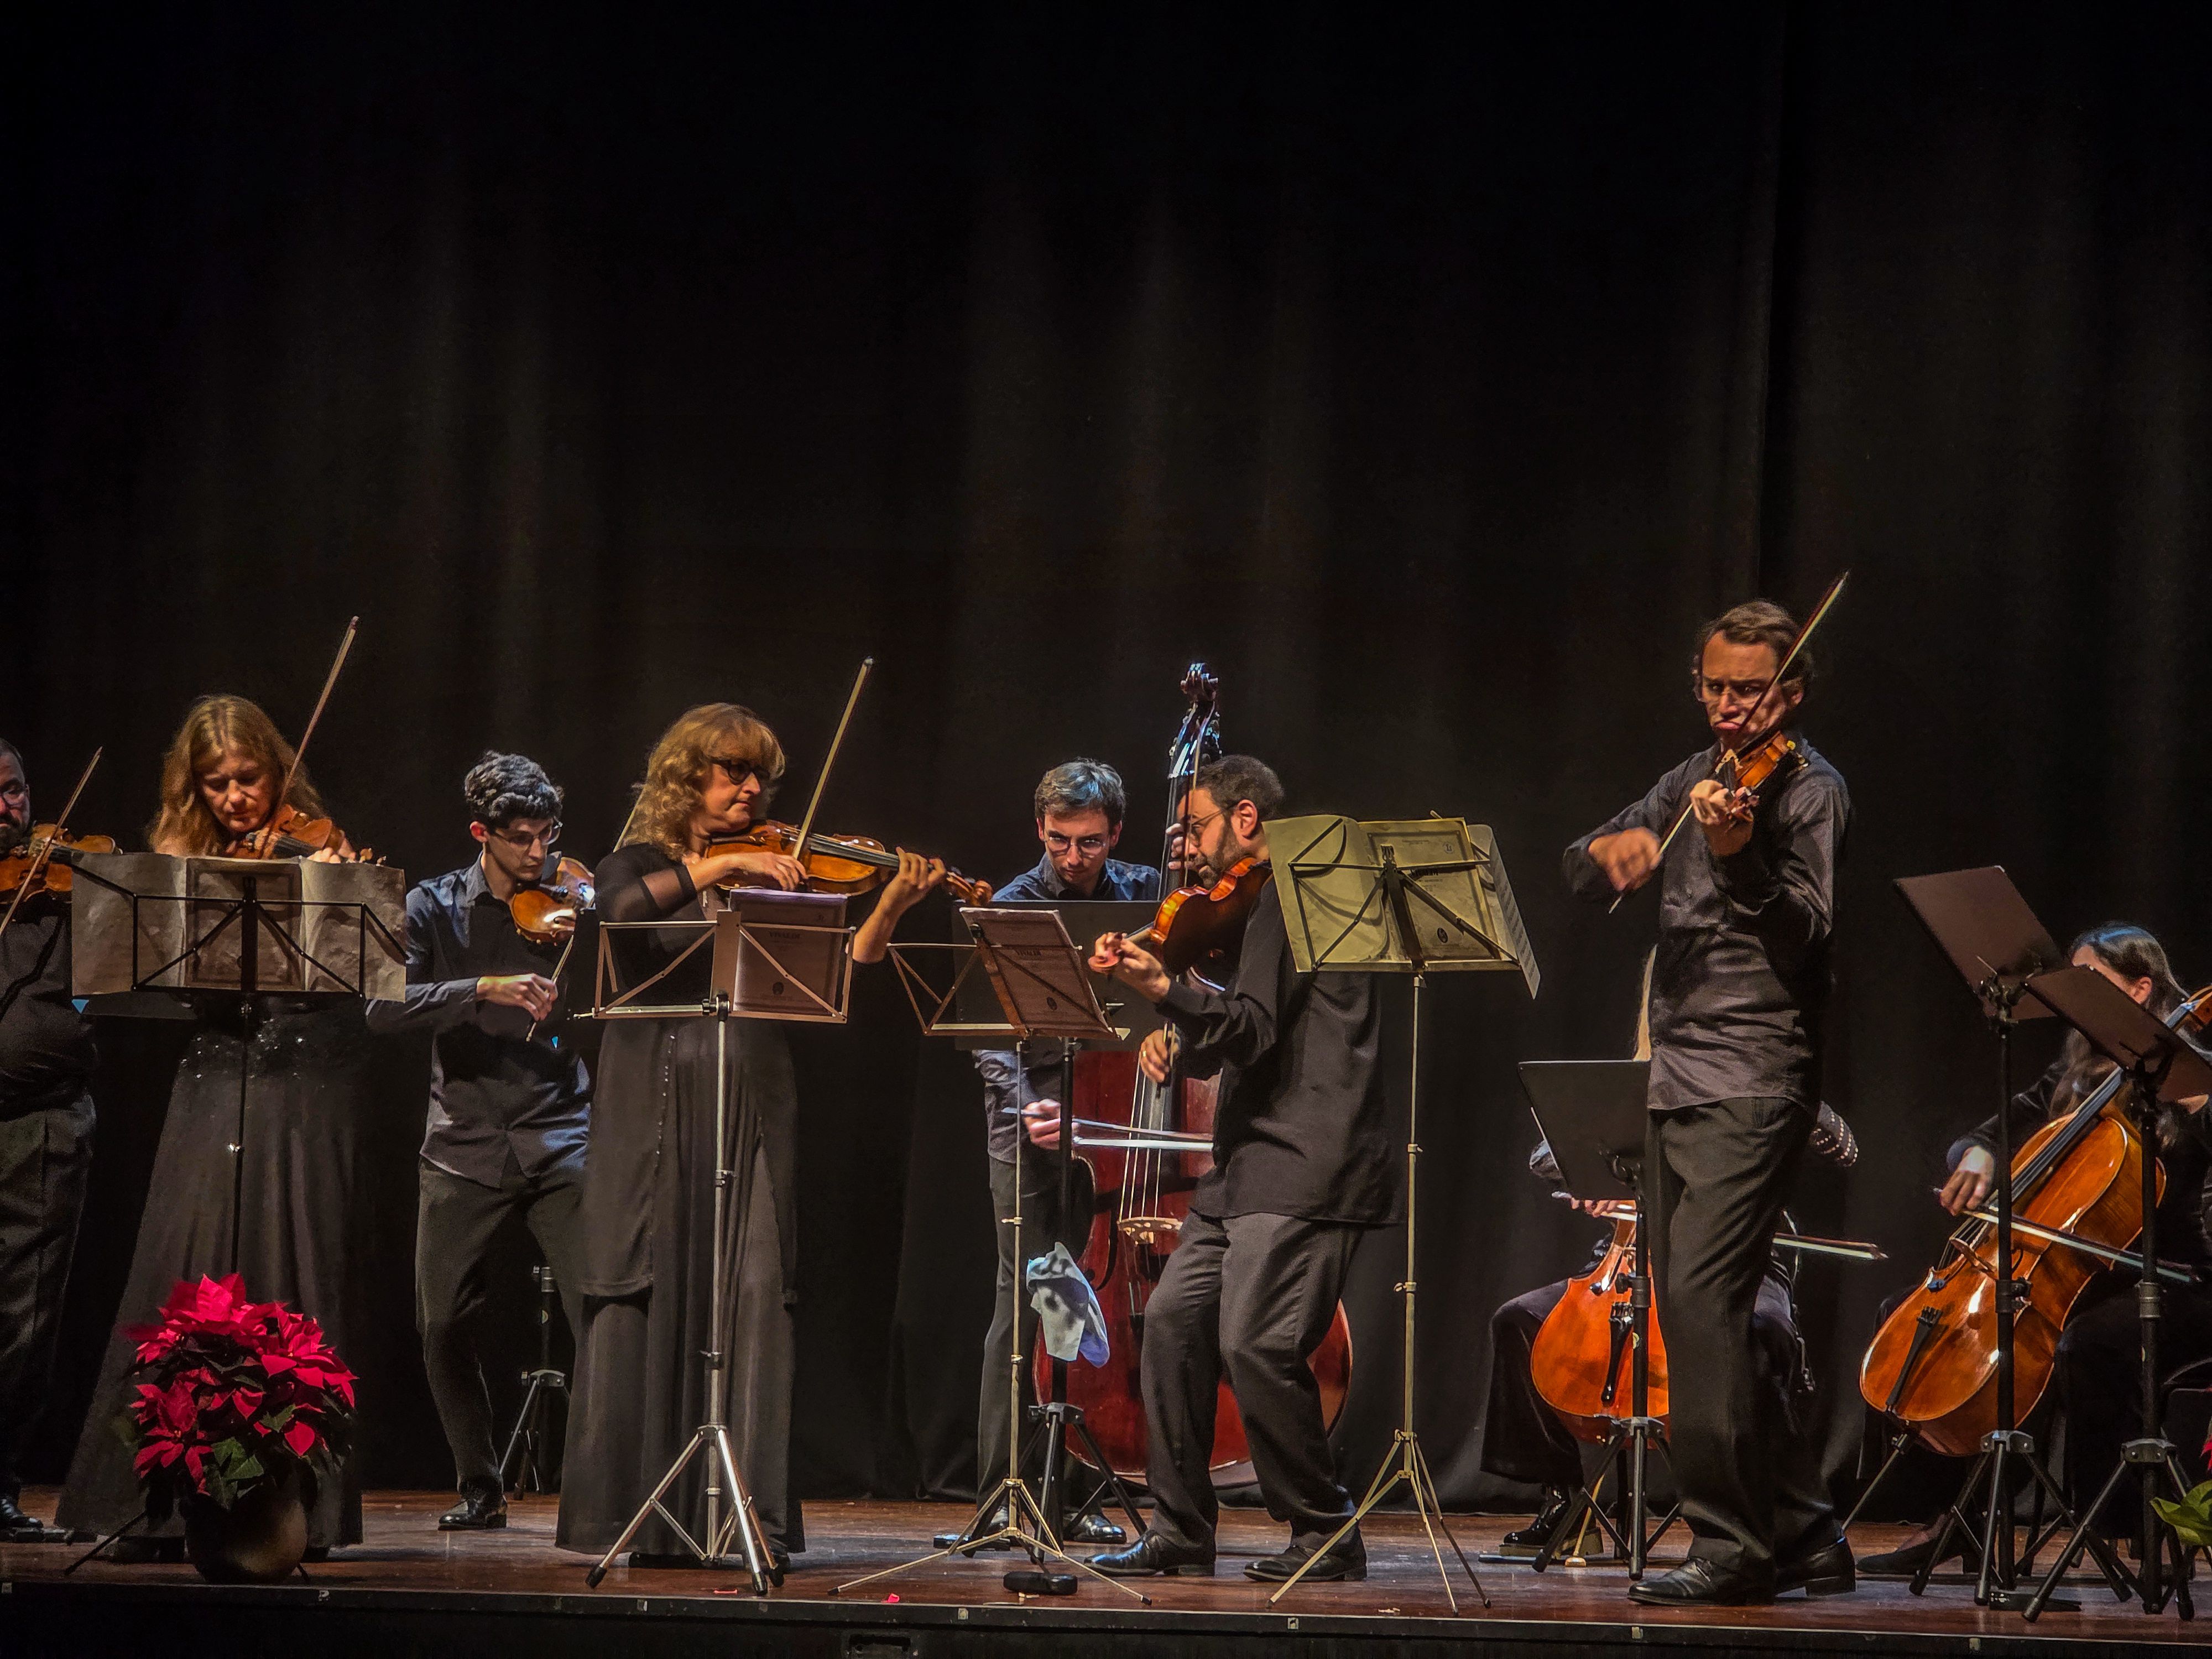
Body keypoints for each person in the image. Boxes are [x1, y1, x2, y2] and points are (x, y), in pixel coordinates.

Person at [557, 703, 943, 1570]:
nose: (751, 788)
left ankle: (738, 1511)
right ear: (684, 778)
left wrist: (886, 904)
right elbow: (617, 910)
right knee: (652, 1270)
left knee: (756, 1281)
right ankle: (640, 1507)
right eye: (731, 770)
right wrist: (725, 861)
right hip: (657, 1089)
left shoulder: (782, 875)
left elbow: (849, 968)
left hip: (752, 1086)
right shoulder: (643, 859)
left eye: (759, 774)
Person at [1565, 598, 1852, 1605]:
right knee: (1693, 1308)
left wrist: (1741, 862)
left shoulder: (1808, 792)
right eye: (1716, 688)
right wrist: (1606, 854)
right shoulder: (1691, 780)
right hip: (1678, 1069)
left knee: (1700, 1307)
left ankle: (1732, 1547)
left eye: (1751, 690)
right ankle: (1809, 1536)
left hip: (1755, 1071)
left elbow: (1807, 933)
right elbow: (1585, 855)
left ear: (1793, 692)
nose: (1731, 707)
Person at [56, 695, 377, 1556]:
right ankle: (157, 1497)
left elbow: (363, 970)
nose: (237, 798)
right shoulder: (174, 858)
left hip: (307, 1070)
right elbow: (150, 977)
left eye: (250, 778)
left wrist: (329, 866)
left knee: (298, 1260)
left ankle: (294, 1506)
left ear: (279, 771)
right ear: (193, 788)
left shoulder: (319, 842)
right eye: (217, 784)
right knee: (184, 1261)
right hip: (216, 1066)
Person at [1086, 754, 1394, 1583]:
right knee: (1173, 1324)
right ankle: (1183, 1531)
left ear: (1247, 819)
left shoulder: (1299, 894)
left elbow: (1255, 1031)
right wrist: (1183, 1024)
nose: (1183, 849)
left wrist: (1167, 990)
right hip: (1248, 1163)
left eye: (1195, 827)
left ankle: (1325, 1530)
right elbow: (1260, 1030)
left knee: (1258, 1342)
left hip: (1307, 1160)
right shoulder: (1257, 908)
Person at [1862, 922, 2212, 1573]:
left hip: (2180, 1277)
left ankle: (2124, 1526)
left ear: (2140, 989)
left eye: (2089, 983)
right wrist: (1975, 1154)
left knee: (2084, 1342)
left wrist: (2202, 1104)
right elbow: (2001, 1126)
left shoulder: (2190, 1068)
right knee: (1927, 1320)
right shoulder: (2078, 1066)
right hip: (2083, 1269)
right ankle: (1959, 1522)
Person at [365, 753, 592, 1531]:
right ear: (482, 834)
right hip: (463, 1143)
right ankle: (480, 1483)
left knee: (602, 1309)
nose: (539, 854)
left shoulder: (574, 897)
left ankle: (603, 1486)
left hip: (562, 1130)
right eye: (522, 839)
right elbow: (382, 1007)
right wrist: (482, 990)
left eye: (547, 835)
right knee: (443, 1322)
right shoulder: (431, 907)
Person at [952, 760, 1159, 1546]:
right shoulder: (1014, 906)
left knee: (1084, 1308)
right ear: (1040, 829)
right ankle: (1004, 1493)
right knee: (1026, 1304)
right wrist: (1030, 1103)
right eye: (1062, 842)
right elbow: (987, 1036)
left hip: (1112, 1129)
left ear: (1117, 834)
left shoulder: (1144, 892)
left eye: (1092, 844)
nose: (1075, 859)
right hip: (1030, 1125)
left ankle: (1072, 1490)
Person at [0, 740, 98, 1544]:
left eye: (16, 792)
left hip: (40, 1123)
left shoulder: (67, 887)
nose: (9, 810)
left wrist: (76, 873)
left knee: (25, 1318)